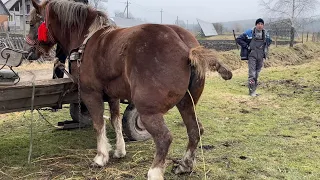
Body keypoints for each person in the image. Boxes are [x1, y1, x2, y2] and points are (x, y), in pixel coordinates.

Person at [236, 18, 272, 97]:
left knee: (257, 74)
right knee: (252, 74)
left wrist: (266, 46)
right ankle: (251, 92)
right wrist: (246, 46)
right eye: (258, 24)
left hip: (261, 55)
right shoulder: (250, 32)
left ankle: (254, 91)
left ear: (263, 25)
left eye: (261, 24)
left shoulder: (265, 33)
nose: (260, 25)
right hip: (252, 55)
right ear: (256, 25)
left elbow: (269, 42)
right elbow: (238, 39)